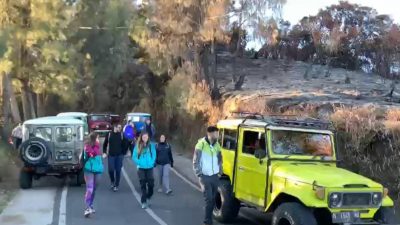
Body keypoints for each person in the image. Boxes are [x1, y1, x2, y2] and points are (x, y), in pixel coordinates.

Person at [193, 126, 222, 225]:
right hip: (205, 176)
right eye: (216, 133)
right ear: (210, 134)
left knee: (213, 200)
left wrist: (219, 172)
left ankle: (208, 217)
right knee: (209, 199)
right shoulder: (200, 144)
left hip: (214, 176)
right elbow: (195, 161)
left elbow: (219, 159)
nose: (218, 135)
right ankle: (208, 221)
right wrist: (199, 174)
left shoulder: (217, 145)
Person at [132, 132, 156, 209]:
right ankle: (144, 201)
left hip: (149, 167)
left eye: (146, 137)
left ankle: (149, 195)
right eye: (143, 137)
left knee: (151, 183)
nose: (145, 138)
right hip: (141, 167)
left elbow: (154, 154)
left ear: (148, 137)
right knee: (143, 183)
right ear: (141, 138)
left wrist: (152, 162)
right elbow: (134, 156)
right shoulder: (138, 146)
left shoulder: (151, 145)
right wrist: (140, 162)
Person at [82, 132, 103, 217]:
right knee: (90, 188)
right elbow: (92, 154)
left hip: (97, 170)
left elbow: (99, 157)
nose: (99, 139)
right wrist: (94, 149)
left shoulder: (98, 146)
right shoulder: (87, 147)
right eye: (98, 138)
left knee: (94, 189)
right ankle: (87, 207)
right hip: (89, 170)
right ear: (94, 139)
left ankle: (90, 204)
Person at [103, 124, 127, 192]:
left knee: (118, 170)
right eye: (118, 127)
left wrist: (123, 153)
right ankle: (112, 181)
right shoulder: (109, 134)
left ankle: (116, 185)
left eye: (120, 127)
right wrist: (104, 152)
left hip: (119, 156)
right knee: (111, 170)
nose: (119, 128)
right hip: (111, 155)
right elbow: (105, 144)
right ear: (114, 127)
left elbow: (125, 144)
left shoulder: (121, 135)